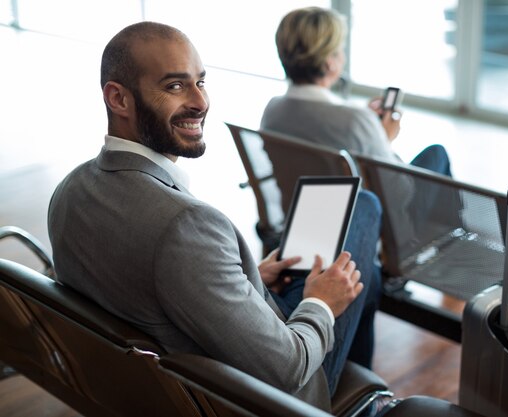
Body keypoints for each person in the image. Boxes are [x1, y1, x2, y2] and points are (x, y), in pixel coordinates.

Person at [47, 21, 382, 412]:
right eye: (174, 86)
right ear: (118, 99)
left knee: (351, 269)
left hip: (154, 385)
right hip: (266, 395)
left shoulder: (69, 191)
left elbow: (153, 283)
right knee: (363, 207)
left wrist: (242, 275)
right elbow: (287, 370)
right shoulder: (184, 226)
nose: (200, 102)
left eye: (200, 82)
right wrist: (321, 304)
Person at [261, 6, 453, 177]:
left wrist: (365, 121)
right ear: (329, 64)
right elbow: (396, 192)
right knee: (437, 154)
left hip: (300, 209)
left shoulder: (273, 109)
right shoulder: (355, 121)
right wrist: (384, 139)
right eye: (340, 49)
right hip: (359, 212)